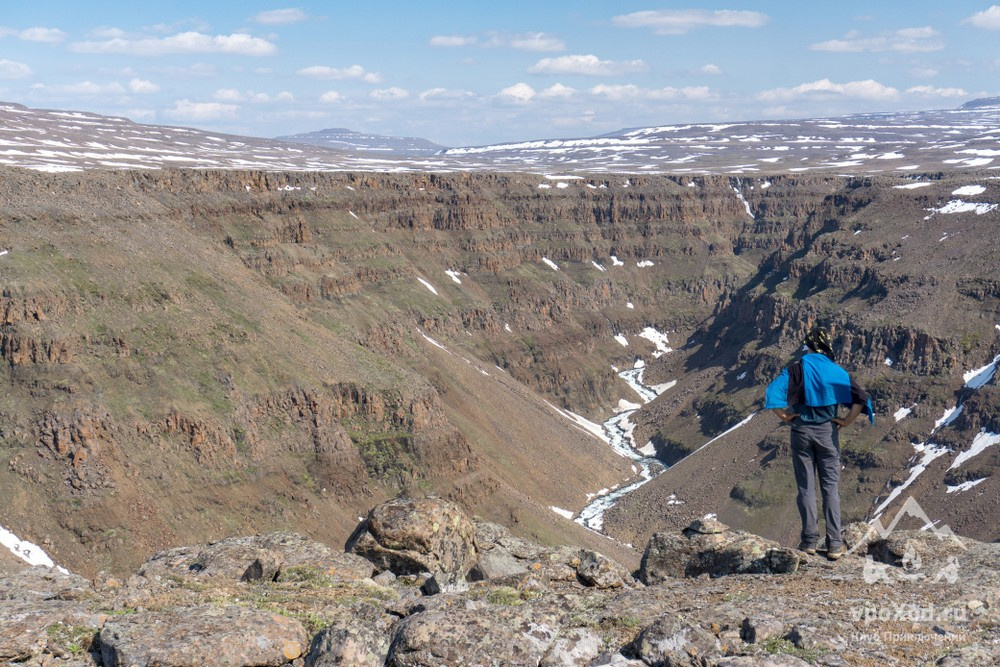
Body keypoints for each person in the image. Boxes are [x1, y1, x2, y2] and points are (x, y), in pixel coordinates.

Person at [764, 327, 873, 560]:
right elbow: (861, 399)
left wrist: (784, 416)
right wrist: (845, 421)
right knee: (830, 488)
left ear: (808, 347)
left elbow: (772, 392)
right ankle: (834, 544)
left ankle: (809, 541)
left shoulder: (795, 370)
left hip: (801, 431)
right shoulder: (835, 371)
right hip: (827, 433)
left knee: (806, 488)